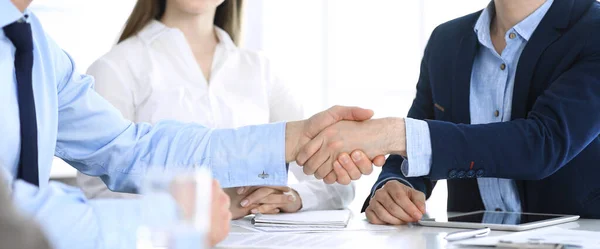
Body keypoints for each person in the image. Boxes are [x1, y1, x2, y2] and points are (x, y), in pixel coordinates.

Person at [0, 0, 383, 248]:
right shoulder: (118, 65)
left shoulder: (36, 44)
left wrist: (292, 143)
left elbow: (129, 147)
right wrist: (185, 214)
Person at [292, 0, 600, 224]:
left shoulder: (593, 30)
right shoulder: (446, 41)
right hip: (469, 240)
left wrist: (388, 133)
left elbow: (543, 143)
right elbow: (417, 140)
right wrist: (394, 186)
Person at [76, 0, 355, 216]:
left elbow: (337, 184)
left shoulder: (261, 71)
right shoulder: (115, 68)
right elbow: (99, 193)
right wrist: (198, 207)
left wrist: (292, 197)